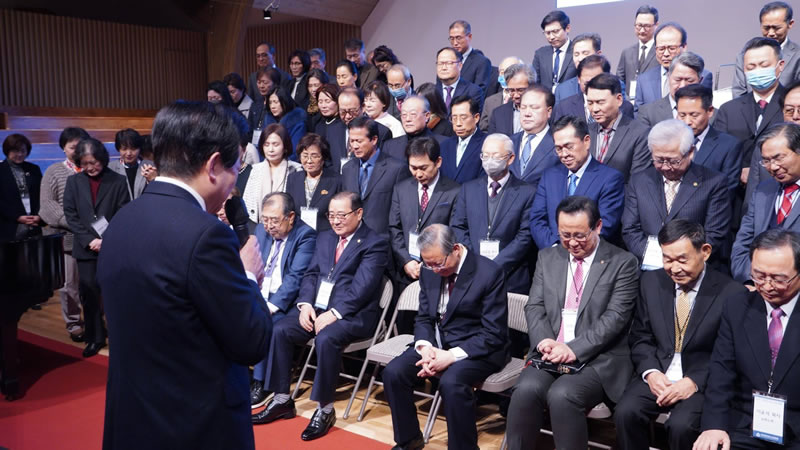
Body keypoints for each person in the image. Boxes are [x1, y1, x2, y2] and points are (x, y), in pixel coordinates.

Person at [97, 102, 271, 449]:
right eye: (236, 168)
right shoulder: (206, 235)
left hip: (132, 418)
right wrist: (249, 275)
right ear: (214, 165)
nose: (234, 184)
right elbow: (251, 341)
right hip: (194, 426)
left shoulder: (123, 220)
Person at [251, 191, 390, 441]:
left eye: (341, 215)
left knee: (326, 338)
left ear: (359, 213)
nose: (335, 221)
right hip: (317, 309)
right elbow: (311, 274)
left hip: (353, 314)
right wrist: (305, 304)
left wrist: (335, 313)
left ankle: (325, 409)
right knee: (280, 329)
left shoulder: (374, 243)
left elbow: (363, 287)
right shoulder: (325, 237)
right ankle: (282, 399)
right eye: (331, 215)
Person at [506, 196, 639, 450]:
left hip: (598, 358)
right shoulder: (548, 257)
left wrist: (572, 349)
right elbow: (534, 306)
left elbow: (616, 318)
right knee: (525, 390)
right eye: (565, 235)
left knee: (563, 395)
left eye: (580, 235)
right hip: (550, 352)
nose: (572, 242)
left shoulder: (622, 263)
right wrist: (544, 341)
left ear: (598, 226)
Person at [615, 220, 746, 450]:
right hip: (659, 373)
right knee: (626, 412)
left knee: (681, 426)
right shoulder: (651, 282)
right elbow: (641, 337)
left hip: (700, 379)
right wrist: (650, 372)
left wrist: (694, 381)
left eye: (682, 260)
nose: (674, 268)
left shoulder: (731, 293)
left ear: (705, 251)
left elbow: (730, 353)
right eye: (667, 259)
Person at [383, 224, 508, 450]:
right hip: (437, 344)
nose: (434, 269)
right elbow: (424, 317)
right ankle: (408, 439)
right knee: (394, 372)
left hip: (478, 348)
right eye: (428, 264)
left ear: (456, 249)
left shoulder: (489, 273)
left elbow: (493, 333)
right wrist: (424, 347)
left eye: (438, 263)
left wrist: (450, 356)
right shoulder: (429, 270)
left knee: (452, 382)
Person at [694, 229, 800, 450]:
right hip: (746, 423)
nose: (767, 286)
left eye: (778, 279)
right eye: (759, 276)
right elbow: (722, 371)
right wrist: (714, 426)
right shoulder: (737, 306)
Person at [622, 120, 731, 268]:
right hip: (649, 268)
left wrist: (679, 260)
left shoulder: (713, 183)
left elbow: (714, 233)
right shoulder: (639, 180)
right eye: (659, 160)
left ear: (690, 152)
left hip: (693, 267)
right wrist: (659, 259)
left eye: (673, 161)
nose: (666, 167)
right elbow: (630, 229)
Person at [249, 192, 316, 409]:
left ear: (291, 217)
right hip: (261, 293)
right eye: (265, 219)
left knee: (265, 322)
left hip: (287, 301)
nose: (269, 226)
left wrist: (269, 307)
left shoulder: (306, 236)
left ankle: (262, 383)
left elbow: (295, 278)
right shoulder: (261, 230)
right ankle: (240, 375)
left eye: (274, 220)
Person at [64, 137, 130, 358]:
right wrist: (88, 240)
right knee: (89, 292)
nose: (90, 167)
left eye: (94, 162)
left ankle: (121, 336)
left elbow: (123, 213)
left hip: (111, 247)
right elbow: (71, 215)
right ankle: (95, 336)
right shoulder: (74, 182)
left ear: (102, 158)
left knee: (114, 292)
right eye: (85, 163)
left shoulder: (118, 181)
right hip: (85, 248)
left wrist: (106, 239)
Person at [451, 133, 536, 294]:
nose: (489, 161)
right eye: (485, 156)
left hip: (510, 277)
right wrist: (474, 261)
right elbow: (458, 226)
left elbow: (525, 236)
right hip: (472, 273)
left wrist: (495, 266)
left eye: (495, 156)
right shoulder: (468, 189)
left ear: (510, 158)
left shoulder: (527, 192)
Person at [530, 116, 625, 248]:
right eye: (558, 149)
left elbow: (605, 225)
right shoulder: (549, 176)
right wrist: (554, 249)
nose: (564, 154)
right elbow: (537, 220)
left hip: (590, 253)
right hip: (552, 254)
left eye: (569, 147)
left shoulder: (610, 178)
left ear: (586, 141)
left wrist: (573, 248)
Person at [718, 37, 788, 205]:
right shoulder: (728, 110)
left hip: (782, 195)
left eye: (764, 65)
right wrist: (739, 171)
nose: (757, 71)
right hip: (735, 199)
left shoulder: (791, 105)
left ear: (780, 65)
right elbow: (719, 153)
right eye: (751, 67)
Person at [39, 127, 90, 341]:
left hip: (94, 239)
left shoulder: (92, 168)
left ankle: (95, 321)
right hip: (67, 239)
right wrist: (76, 224)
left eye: (80, 146)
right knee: (69, 285)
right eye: (72, 147)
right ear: (63, 148)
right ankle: (74, 323)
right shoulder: (54, 171)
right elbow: (47, 206)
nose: (76, 151)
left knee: (95, 284)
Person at [732, 123, 800, 282]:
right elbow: (742, 246)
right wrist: (755, 280)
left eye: (778, 158)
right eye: (766, 161)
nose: (773, 167)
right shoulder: (763, 190)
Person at [389, 137, 460, 287]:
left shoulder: (454, 191)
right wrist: (406, 261)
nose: (418, 174)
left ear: (438, 162)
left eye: (423, 168)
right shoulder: (401, 189)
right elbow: (395, 228)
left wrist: (430, 263)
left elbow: (454, 232)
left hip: (438, 273)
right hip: (406, 272)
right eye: (413, 168)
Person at [341, 116, 409, 240]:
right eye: (352, 141)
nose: (354, 146)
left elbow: (401, 213)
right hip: (353, 239)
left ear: (374, 140)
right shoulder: (347, 168)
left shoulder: (396, 169)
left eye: (359, 141)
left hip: (383, 241)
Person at [675, 84, 743, 194]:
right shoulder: (668, 142)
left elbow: (727, 189)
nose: (687, 121)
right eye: (682, 115)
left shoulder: (728, 146)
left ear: (710, 111)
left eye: (694, 115)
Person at [634, 22, 714, 113]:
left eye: (671, 48)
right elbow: (638, 113)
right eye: (661, 49)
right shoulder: (644, 79)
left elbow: (704, 111)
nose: (666, 54)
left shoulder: (704, 76)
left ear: (684, 47)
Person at [587, 73, 651, 182]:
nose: (594, 109)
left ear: (619, 100)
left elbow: (638, 182)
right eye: (590, 103)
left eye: (600, 102)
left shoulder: (640, 133)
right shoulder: (585, 131)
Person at [733, 2, 800, 97]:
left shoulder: (797, 55)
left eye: (777, 28)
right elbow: (738, 93)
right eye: (766, 28)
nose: (771, 33)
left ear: (790, 24)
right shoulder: (744, 56)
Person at [243, 124, 303, 225]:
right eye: (266, 145)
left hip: (286, 226)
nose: (270, 149)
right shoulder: (255, 170)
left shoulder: (296, 169)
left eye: (275, 145)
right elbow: (247, 202)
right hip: (258, 226)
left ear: (285, 146)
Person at [551, 55, 635, 124]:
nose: (592, 87)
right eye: (587, 83)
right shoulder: (564, 107)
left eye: (597, 82)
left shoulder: (624, 107)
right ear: (578, 79)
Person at [326, 87, 393, 172]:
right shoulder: (332, 130)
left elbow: (384, 165)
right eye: (343, 112)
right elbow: (328, 162)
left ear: (363, 107)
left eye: (352, 111)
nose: (348, 116)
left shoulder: (381, 132)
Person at [286, 133, 342, 232]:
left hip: (326, 234)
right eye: (305, 156)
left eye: (314, 156)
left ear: (323, 158)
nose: (309, 161)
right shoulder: (293, 179)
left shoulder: (336, 180)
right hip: (298, 233)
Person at [510, 86, 561, 188]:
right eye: (523, 107)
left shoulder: (558, 143)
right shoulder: (510, 142)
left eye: (534, 108)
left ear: (549, 111)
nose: (527, 114)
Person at [637, 51, 706, 127]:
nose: (682, 86)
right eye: (678, 80)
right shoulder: (648, 113)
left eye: (689, 80)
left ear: (700, 81)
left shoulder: (711, 114)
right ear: (668, 77)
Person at [0, 133, 43, 242]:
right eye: (15, 151)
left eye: (23, 151)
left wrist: (39, 216)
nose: (19, 154)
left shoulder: (34, 169)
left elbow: (41, 195)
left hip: (34, 224)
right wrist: (17, 217)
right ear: (7, 151)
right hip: (7, 226)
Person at [383, 95, 447, 161]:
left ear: (427, 116)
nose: (407, 119)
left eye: (413, 114)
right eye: (404, 115)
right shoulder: (390, 146)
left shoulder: (443, 143)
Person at [440, 96, 487, 184]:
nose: (458, 123)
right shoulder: (444, 145)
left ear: (476, 118)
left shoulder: (487, 144)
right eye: (454, 118)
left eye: (463, 118)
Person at [616, 5, 660, 99]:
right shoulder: (627, 52)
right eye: (639, 25)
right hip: (630, 102)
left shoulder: (660, 51)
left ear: (656, 25)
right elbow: (619, 80)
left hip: (653, 103)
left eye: (647, 26)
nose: (642, 30)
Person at [532, 10, 576, 93]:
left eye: (555, 32)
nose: (551, 37)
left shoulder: (577, 51)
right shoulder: (540, 54)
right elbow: (535, 84)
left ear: (567, 28)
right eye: (547, 33)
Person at [488, 63, 536, 137]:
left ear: (532, 87)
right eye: (511, 90)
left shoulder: (542, 112)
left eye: (520, 90)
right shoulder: (498, 114)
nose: (516, 95)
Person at [554, 33, 604, 103]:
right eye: (576, 54)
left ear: (598, 54)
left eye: (585, 53)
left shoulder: (615, 85)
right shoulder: (562, 90)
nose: (580, 59)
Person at [480, 56, 525, 132]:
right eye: (502, 72)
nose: (505, 75)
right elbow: (484, 130)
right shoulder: (490, 101)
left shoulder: (526, 100)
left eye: (510, 72)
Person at [435, 47, 484, 114]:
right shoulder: (432, 92)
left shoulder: (473, 91)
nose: (444, 68)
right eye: (440, 63)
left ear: (460, 66)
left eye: (449, 63)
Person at [109, 128, 155, 200]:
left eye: (133, 149)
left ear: (139, 148)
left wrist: (152, 180)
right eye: (124, 149)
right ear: (118, 149)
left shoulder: (151, 166)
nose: (129, 153)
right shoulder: (110, 167)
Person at [448, 20, 492, 94]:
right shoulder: (446, 61)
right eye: (452, 38)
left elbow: (479, 92)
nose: (455, 43)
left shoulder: (481, 62)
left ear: (469, 37)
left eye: (458, 38)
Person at [262, 85, 308, 153]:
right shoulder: (267, 120)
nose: (272, 106)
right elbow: (262, 145)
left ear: (285, 101)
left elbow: (295, 151)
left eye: (276, 102)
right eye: (270, 102)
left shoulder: (298, 121)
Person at [248, 67, 282, 143]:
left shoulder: (279, 104)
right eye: (259, 82)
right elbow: (249, 128)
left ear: (275, 83)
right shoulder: (255, 104)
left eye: (265, 83)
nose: (261, 86)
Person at [305, 68, 331, 133]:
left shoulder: (331, 103)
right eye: (310, 86)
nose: (313, 89)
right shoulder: (306, 104)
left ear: (324, 84)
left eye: (316, 85)